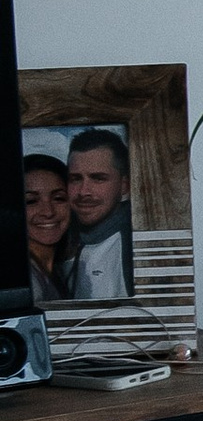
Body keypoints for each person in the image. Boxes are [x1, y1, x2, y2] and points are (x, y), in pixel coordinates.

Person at [60, 129, 134, 301]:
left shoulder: (135, 247)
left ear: (124, 186)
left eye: (98, 178)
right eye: (75, 179)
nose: (84, 191)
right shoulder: (61, 237)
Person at [20, 154, 71, 300]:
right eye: (31, 201)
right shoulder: (22, 278)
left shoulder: (60, 269)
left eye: (58, 198)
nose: (48, 212)